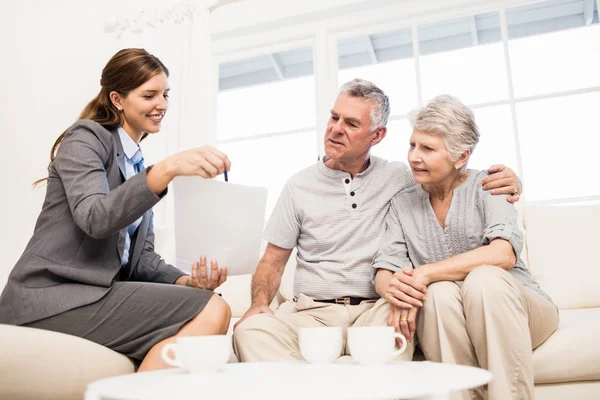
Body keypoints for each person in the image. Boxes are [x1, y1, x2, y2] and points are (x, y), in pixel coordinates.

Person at [232, 79, 522, 362]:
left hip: (379, 309)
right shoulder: (298, 186)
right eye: (334, 118)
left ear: (377, 135)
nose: (336, 129)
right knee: (250, 332)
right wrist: (259, 304)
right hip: (313, 314)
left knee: (400, 320)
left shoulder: (403, 178)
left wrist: (510, 180)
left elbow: (449, 174)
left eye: (351, 123)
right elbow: (271, 262)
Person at [0, 48, 233, 372]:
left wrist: (187, 283)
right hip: (49, 299)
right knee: (211, 310)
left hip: (94, 294)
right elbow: (96, 217)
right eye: (149, 94)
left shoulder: (136, 167)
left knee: (213, 304)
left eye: (165, 94)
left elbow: (142, 261)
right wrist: (166, 168)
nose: (162, 104)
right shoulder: (85, 138)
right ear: (118, 99)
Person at [373, 95, 558, 399]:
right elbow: (384, 271)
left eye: (428, 148)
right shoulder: (403, 204)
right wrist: (399, 291)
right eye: (412, 145)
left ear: (461, 157)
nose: (414, 157)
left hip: (516, 308)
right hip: (451, 313)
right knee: (439, 293)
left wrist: (423, 273)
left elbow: (503, 254)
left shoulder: (490, 185)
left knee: (485, 280)